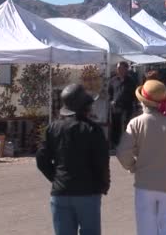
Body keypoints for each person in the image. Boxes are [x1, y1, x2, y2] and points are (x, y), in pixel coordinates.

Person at [117, 80, 166, 235]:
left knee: (146, 229)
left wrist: (133, 166)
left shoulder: (136, 123)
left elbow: (122, 152)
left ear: (143, 102)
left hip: (145, 183)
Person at [36, 84, 110, 235]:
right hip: (88, 193)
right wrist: (103, 185)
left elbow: (41, 159)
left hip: (61, 192)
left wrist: (56, 178)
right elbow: (102, 163)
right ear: (86, 107)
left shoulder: (53, 128)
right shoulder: (93, 129)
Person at [108, 61, 137, 148]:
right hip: (116, 107)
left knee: (126, 125)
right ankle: (115, 143)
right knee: (116, 125)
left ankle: (127, 144)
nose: (118, 70)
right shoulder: (113, 80)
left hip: (127, 107)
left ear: (126, 69)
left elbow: (134, 94)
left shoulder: (131, 81)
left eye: (120, 68)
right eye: (118, 68)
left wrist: (135, 105)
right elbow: (110, 93)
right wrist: (111, 101)